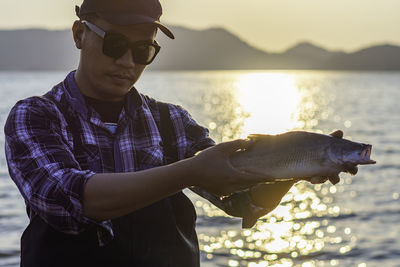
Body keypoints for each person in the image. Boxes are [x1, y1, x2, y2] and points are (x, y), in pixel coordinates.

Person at [4, 0, 339, 266]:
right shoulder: (35, 117)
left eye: (142, 51)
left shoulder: (172, 121)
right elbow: (66, 199)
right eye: (114, 43)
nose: (127, 62)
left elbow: (239, 200)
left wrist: (295, 168)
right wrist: (190, 171)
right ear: (79, 34)